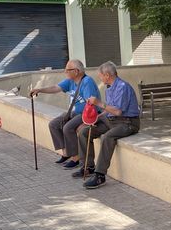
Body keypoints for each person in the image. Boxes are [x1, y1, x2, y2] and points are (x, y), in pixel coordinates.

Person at [73, 61, 140, 189]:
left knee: (107, 137)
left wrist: (98, 102)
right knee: (84, 132)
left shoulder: (122, 87)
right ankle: (88, 167)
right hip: (112, 120)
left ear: (107, 75)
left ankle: (100, 175)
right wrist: (95, 118)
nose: (100, 78)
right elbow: (109, 110)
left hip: (127, 122)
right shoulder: (109, 87)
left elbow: (118, 111)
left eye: (101, 76)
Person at [30, 59, 100, 169]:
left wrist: (86, 122)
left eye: (67, 70)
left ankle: (76, 158)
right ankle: (66, 153)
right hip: (75, 112)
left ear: (76, 71)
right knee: (54, 124)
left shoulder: (87, 82)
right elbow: (55, 88)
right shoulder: (70, 81)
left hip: (86, 114)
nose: (65, 72)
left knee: (68, 128)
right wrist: (39, 90)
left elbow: (91, 104)